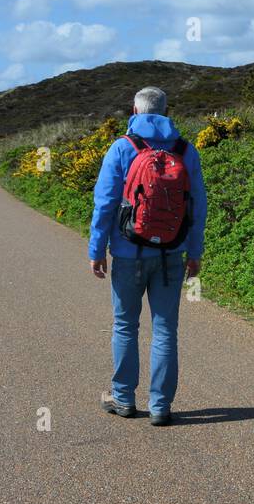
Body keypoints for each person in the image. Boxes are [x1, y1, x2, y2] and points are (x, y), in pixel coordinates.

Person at [88, 86, 206, 426]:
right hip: (171, 254)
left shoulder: (122, 148)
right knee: (165, 329)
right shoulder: (186, 150)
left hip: (127, 253)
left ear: (134, 111)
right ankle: (160, 406)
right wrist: (194, 254)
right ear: (167, 111)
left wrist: (97, 250)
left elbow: (105, 203)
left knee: (125, 325)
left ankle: (123, 398)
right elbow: (198, 208)